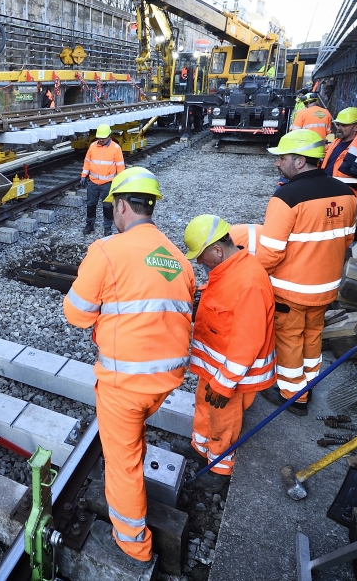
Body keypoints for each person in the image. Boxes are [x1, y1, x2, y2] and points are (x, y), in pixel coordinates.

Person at [64, 167, 195, 568]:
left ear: (121, 206)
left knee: (123, 464)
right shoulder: (177, 258)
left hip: (125, 386)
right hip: (166, 381)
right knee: (133, 437)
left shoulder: (107, 251)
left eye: (113, 208)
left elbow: (76, 314)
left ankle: (132, 543)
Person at [255, 130, 357, 415]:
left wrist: (253, 279)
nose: (278, 164)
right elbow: (347, 240)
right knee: (313, 336)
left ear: (300, 161)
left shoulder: (286, 197)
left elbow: (270, 253)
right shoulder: (345, 193)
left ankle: (293, 396)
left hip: (292, 290)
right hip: (326, 288)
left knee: (289, 340)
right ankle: (309, 383)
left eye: (282, 158)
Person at [183, 215, 275, 490]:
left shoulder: (249, 283)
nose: (199, 263)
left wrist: (224, 384)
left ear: (217, 250)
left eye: (201, 257)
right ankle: (200, 450)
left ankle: (219, 469)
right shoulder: (228, 270)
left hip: (231, 377)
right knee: (203, 407)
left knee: (224, 420)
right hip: (213, 369)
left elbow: (248, 342)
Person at [79, 124, 125, 236]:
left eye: (103, 138)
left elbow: (120, 167)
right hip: (93, 182)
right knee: (90, 204)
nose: (101, 140)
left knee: (108, 206)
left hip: (108, 183)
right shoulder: (93, 146)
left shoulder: (116, 148)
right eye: (99, 137)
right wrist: (83, 176)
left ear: (109, 136)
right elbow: (87, 162)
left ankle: (107, 227)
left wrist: (120, 183)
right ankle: (89, 224)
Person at [323, 107, 357, 204]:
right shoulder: (337, 141)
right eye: (339, 124)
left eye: (344, 125)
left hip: (350, 199)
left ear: (356, 127)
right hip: (332, 194)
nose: (339, 128)